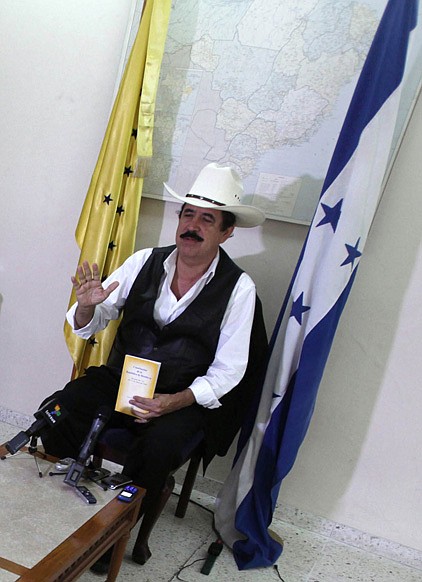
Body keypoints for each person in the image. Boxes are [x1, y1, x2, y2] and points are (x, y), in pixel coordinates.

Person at [39, 162, 268, 570]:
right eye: (188, 214)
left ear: (226, 231)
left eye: (207, 219)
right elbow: (91, 319)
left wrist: (176, 400)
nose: (192, 226)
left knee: (160, 445)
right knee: (64, 405)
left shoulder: (240, 288)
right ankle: (70, 506)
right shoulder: (145, 260)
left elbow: (230, 370)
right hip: (123, 378)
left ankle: (118, 530)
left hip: (181, 394)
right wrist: (87, 306)